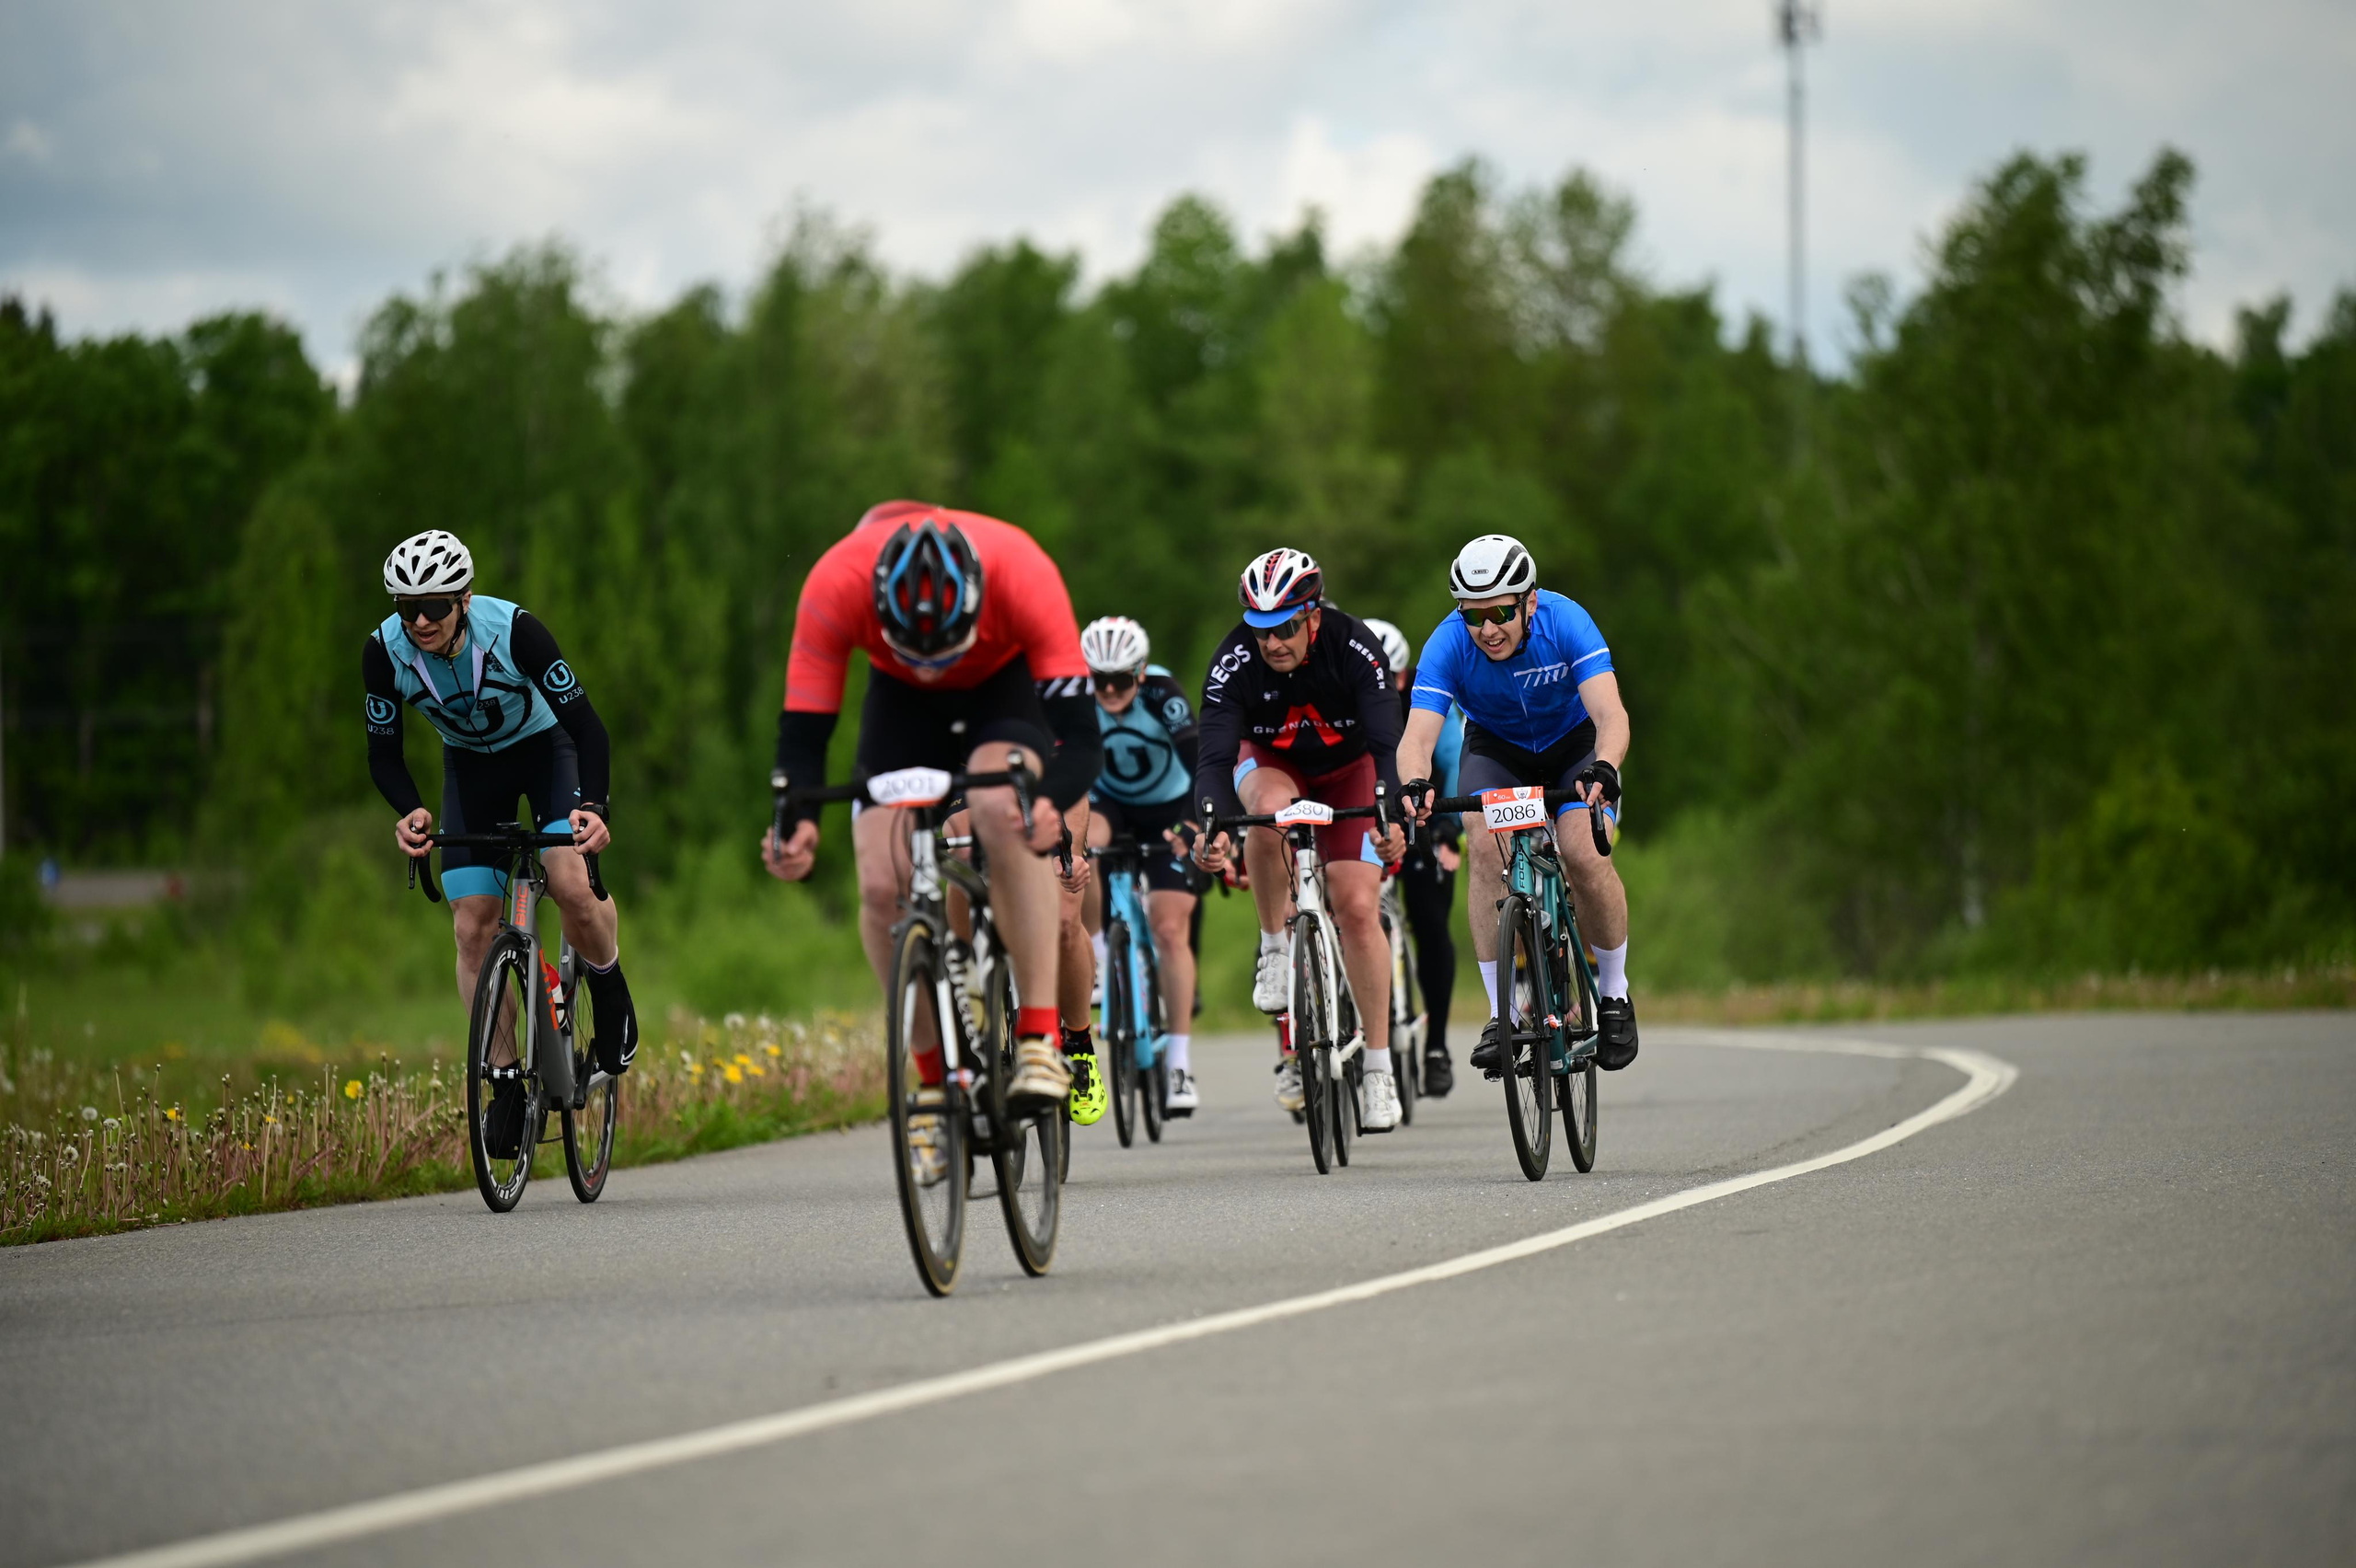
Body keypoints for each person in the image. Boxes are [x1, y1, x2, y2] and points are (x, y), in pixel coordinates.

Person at [761, 502, 1102, 1168]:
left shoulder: (1024, 571)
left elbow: (1081, 740)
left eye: (941, 650)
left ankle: (1038, 1039)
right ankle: (931, 1081)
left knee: (1006, 811)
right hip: (898, 708)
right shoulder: (836, 583)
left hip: (1001, 690)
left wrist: (1050, 808)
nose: (931, 666)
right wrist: (793, 822)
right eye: (916, 650)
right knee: (882, 879)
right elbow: (803, 734)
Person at [365, 530, 637, 1158]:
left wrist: (593, 808)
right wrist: (410, 810)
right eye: (407, 608)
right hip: (470, 768)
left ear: (463, 596)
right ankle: (507, 1081)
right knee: (470, 928)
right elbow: (383, 752)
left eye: (434, 604)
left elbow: (588, 728)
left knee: (570, 882)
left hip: (548, 753)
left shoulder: (515, 631)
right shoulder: (384, 652)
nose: (421, 620)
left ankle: (608, 981)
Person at [1395, 535, 1638, 1074]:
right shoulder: (1447, 644)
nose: (1488, 629)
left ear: (1529, 601)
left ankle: (1614, 992)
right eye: (1473, 616)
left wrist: (1606, 767)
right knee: (1483, 846)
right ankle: (1502, 1011)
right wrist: (1413, 784)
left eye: (1502, 611)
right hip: (1499, 751)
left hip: (1574, 748)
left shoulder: (1567, 622)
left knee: (1583, 854)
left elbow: (1611, 716)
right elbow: (1416, 740)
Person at [1191, 548, 1409, 1131]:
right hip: (1274, 767)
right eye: (1260, 629)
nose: (1271, 643)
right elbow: (1212, 754)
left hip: (1350, 771)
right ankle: (1274, 947)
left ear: (1313, 616)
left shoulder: (1354, 645)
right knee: (1266, 812)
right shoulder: (1234, 660)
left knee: (1359, 908)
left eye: (1285, 627)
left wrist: (1392, 819)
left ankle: (1380, 1071)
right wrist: (1209, 823)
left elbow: (1389, 744)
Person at [1076, 615, 1203, 1113]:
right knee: (1083, 846)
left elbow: (1198, 762)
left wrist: (1193, 824)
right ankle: (1100, 952)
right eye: (1098, 680)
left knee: (1171, 930)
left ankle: (1179, 1062)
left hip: (1168, 809)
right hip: (1109, 805)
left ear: (1141, 673)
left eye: (1121, 680)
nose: (1109, 691)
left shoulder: (1163, 694)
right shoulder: (1080, 700)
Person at [1361, 617, 1465, 1099]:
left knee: (1430, 924)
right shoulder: (1347, 698)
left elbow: (1454, 767)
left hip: (1426, 818)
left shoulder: (1425, 698)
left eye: (1392, 676)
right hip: (1366, 817)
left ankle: (1437, 1046)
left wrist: (1446, 832)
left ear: (1406, 676)